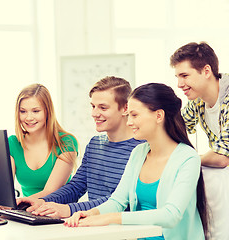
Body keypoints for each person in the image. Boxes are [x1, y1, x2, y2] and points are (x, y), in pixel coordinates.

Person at [64, 83, 209, 240]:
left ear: (159, 116)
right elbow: (117, 201)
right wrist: (91, 213)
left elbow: (171, 215)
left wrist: (111, 218)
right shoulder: (139, 153)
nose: (128, 122)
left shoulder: (188, 158)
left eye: (134, 115)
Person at [17, 76, 143, 219]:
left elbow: (119, 200)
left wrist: (69, 209)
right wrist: (42, 201)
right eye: (93, 106)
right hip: (94, 226)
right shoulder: (95, 144)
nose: (94, 113)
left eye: (103, 107)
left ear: (125, 108)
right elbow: (76, 187)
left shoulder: (141, 148)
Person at [170, 42, 229, 240]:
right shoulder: (197, 101)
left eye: (184, 76)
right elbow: (173, 130)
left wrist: (184, 159)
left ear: (206, 71)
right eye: (177, 77)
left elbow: (222, 157)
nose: (179, 84)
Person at [9, 83, 78, 198]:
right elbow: (5, 188)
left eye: (36, 111)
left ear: (47, 111)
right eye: (23, 111)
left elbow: (51, 192)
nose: (29, 118)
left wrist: (19, 202)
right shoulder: (12, 143)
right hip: (26, 211)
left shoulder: (66, 142)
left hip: (58, 212)